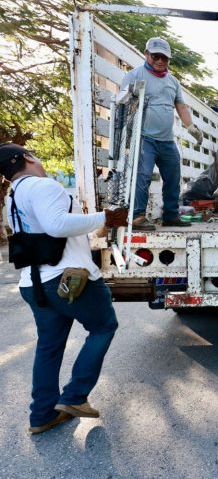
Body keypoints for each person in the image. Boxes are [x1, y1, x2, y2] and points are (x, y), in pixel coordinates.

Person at [0, 143, 127, 435]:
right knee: (104, 326)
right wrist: (105, 217)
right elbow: (56, 225)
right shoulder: (45, 186)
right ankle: (74, 396)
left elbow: (44, 232)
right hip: (66, 279)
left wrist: (96, 228)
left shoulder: (13, 195)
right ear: (28, 157)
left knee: (49, 345)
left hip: (34, 283)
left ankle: (42, 415)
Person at [120, 37, 202, 231]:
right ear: (146, 54)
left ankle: (171, 215)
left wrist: (191, 127)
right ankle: (138, 216)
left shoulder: (173, 81)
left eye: (164, 58)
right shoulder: (134, 76)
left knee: (173, 176)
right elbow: (122, 103)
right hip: (144, 137)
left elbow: (180, 106)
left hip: (166, 140)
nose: (160, 61)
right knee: (143, 176)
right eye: (156, 56)